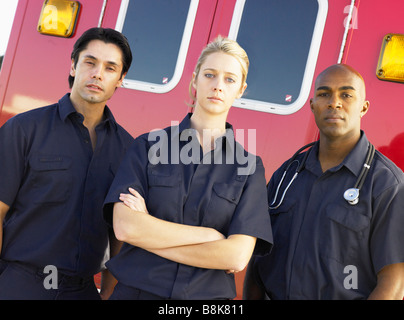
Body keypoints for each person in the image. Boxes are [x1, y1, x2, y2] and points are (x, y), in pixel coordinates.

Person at [102, 36, 273, 300]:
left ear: (240, 89)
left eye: (229, 79)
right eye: (209, 75)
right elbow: (126, 228)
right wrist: (209, 237)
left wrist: (149, 231)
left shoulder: (249, 168)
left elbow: (236, 256)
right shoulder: (148, 147)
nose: (217, 86)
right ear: (195, 80)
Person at [243, 64, 404, 300]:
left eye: (346, 95)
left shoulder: (387, 185)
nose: (334, 102)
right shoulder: (286, 175)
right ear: (313, 105)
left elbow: (394, 283)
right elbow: (257, 261)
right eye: (324, 94)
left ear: (364, 107)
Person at [0, 27, 134, 300]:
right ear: (73, 65)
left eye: (110, 68)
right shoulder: (24, 130)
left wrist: (108, 292)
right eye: (90, 62)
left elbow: (120, 233)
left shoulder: (127, 149)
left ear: (120, 79)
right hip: (21, 284)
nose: (97, 73)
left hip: (83, 290)